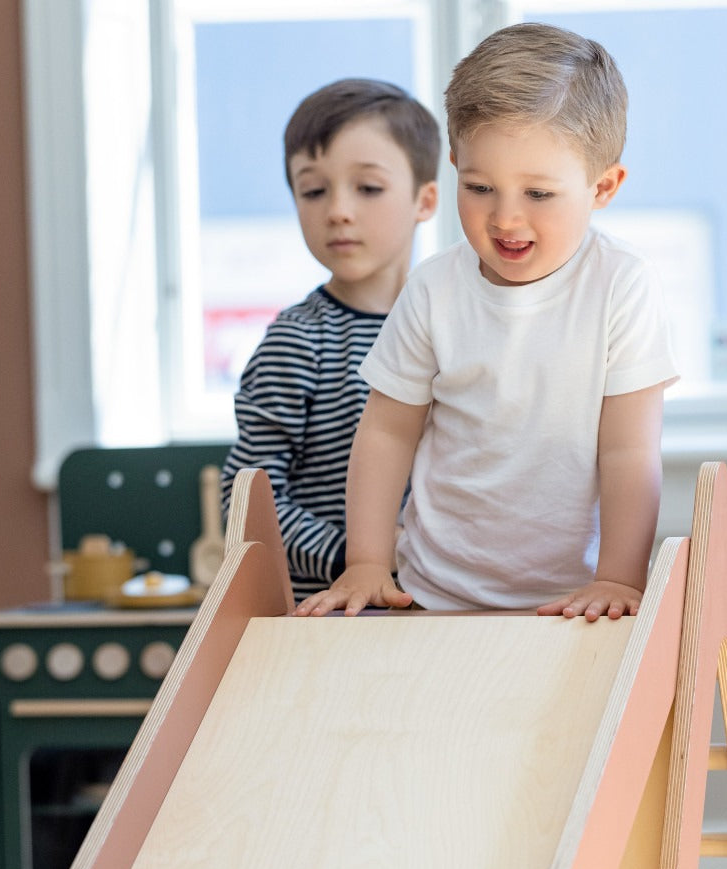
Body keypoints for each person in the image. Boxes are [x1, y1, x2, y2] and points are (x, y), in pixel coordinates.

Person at [295, 24, 678, 621]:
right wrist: (368, 561)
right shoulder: (433, 289)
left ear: (603, 186)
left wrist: (621, 579)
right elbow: (387, 433)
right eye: (479, 187)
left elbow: (630, 451)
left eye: (539, 194)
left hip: (574, 604)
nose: (505, 218)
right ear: (453, 168)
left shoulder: (622, 286)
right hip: (433, 597)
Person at [220, 79, 440, 602]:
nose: (338, 210)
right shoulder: (297, 341)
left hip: (444, 606)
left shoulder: (454, 329)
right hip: (330, 615)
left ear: (424, 199)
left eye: (367, 188)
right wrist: (355, 555)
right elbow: (245, 505)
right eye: (314, 190)